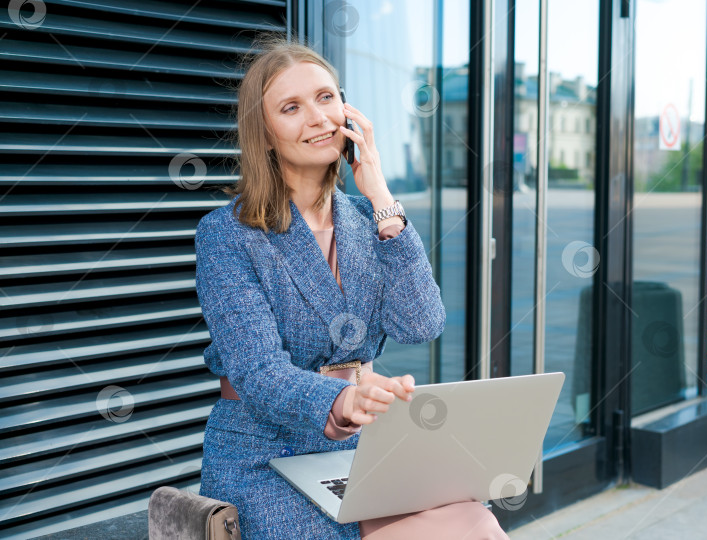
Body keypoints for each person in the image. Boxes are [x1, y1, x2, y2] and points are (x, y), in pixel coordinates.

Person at [195, 36, 509, 539]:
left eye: (325, 97)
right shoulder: (227, 234)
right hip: (265, 451)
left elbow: (421, 321)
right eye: (291, 107)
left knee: (473, 519)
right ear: (265, 133)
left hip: (363, 444)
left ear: (347, 109)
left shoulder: (368, 218)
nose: (317, 118)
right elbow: (257, 371)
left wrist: (381, 195)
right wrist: (342, 401)